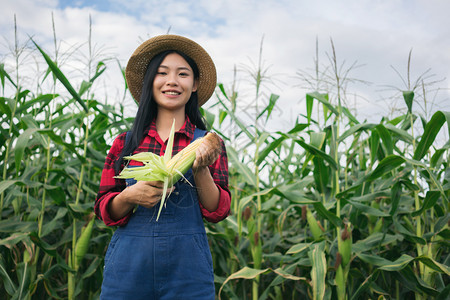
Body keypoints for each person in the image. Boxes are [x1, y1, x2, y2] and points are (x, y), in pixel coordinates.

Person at [94, 34, 231, 299]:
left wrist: (201, 169)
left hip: (188, 275)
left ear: (194, 85)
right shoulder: (125, 143)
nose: (172, 81)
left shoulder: (208, 143)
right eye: (162, 73)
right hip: (128, 272)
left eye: (183, 74)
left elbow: (218, 210)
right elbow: (104, 209)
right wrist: (129, 196)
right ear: (150, 83)